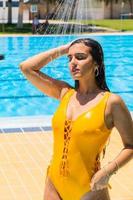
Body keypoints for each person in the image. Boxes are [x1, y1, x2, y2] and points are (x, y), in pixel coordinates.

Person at [20, 38, 133, 200]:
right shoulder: (65, 92)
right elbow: (26, 68)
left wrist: (108, 171)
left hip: (90, 188)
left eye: (80, 57)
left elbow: (131, 145)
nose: (73, 62)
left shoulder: (111, 103)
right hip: (54, 184)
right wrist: (65, 49)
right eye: (70, 58)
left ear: (96, 64)